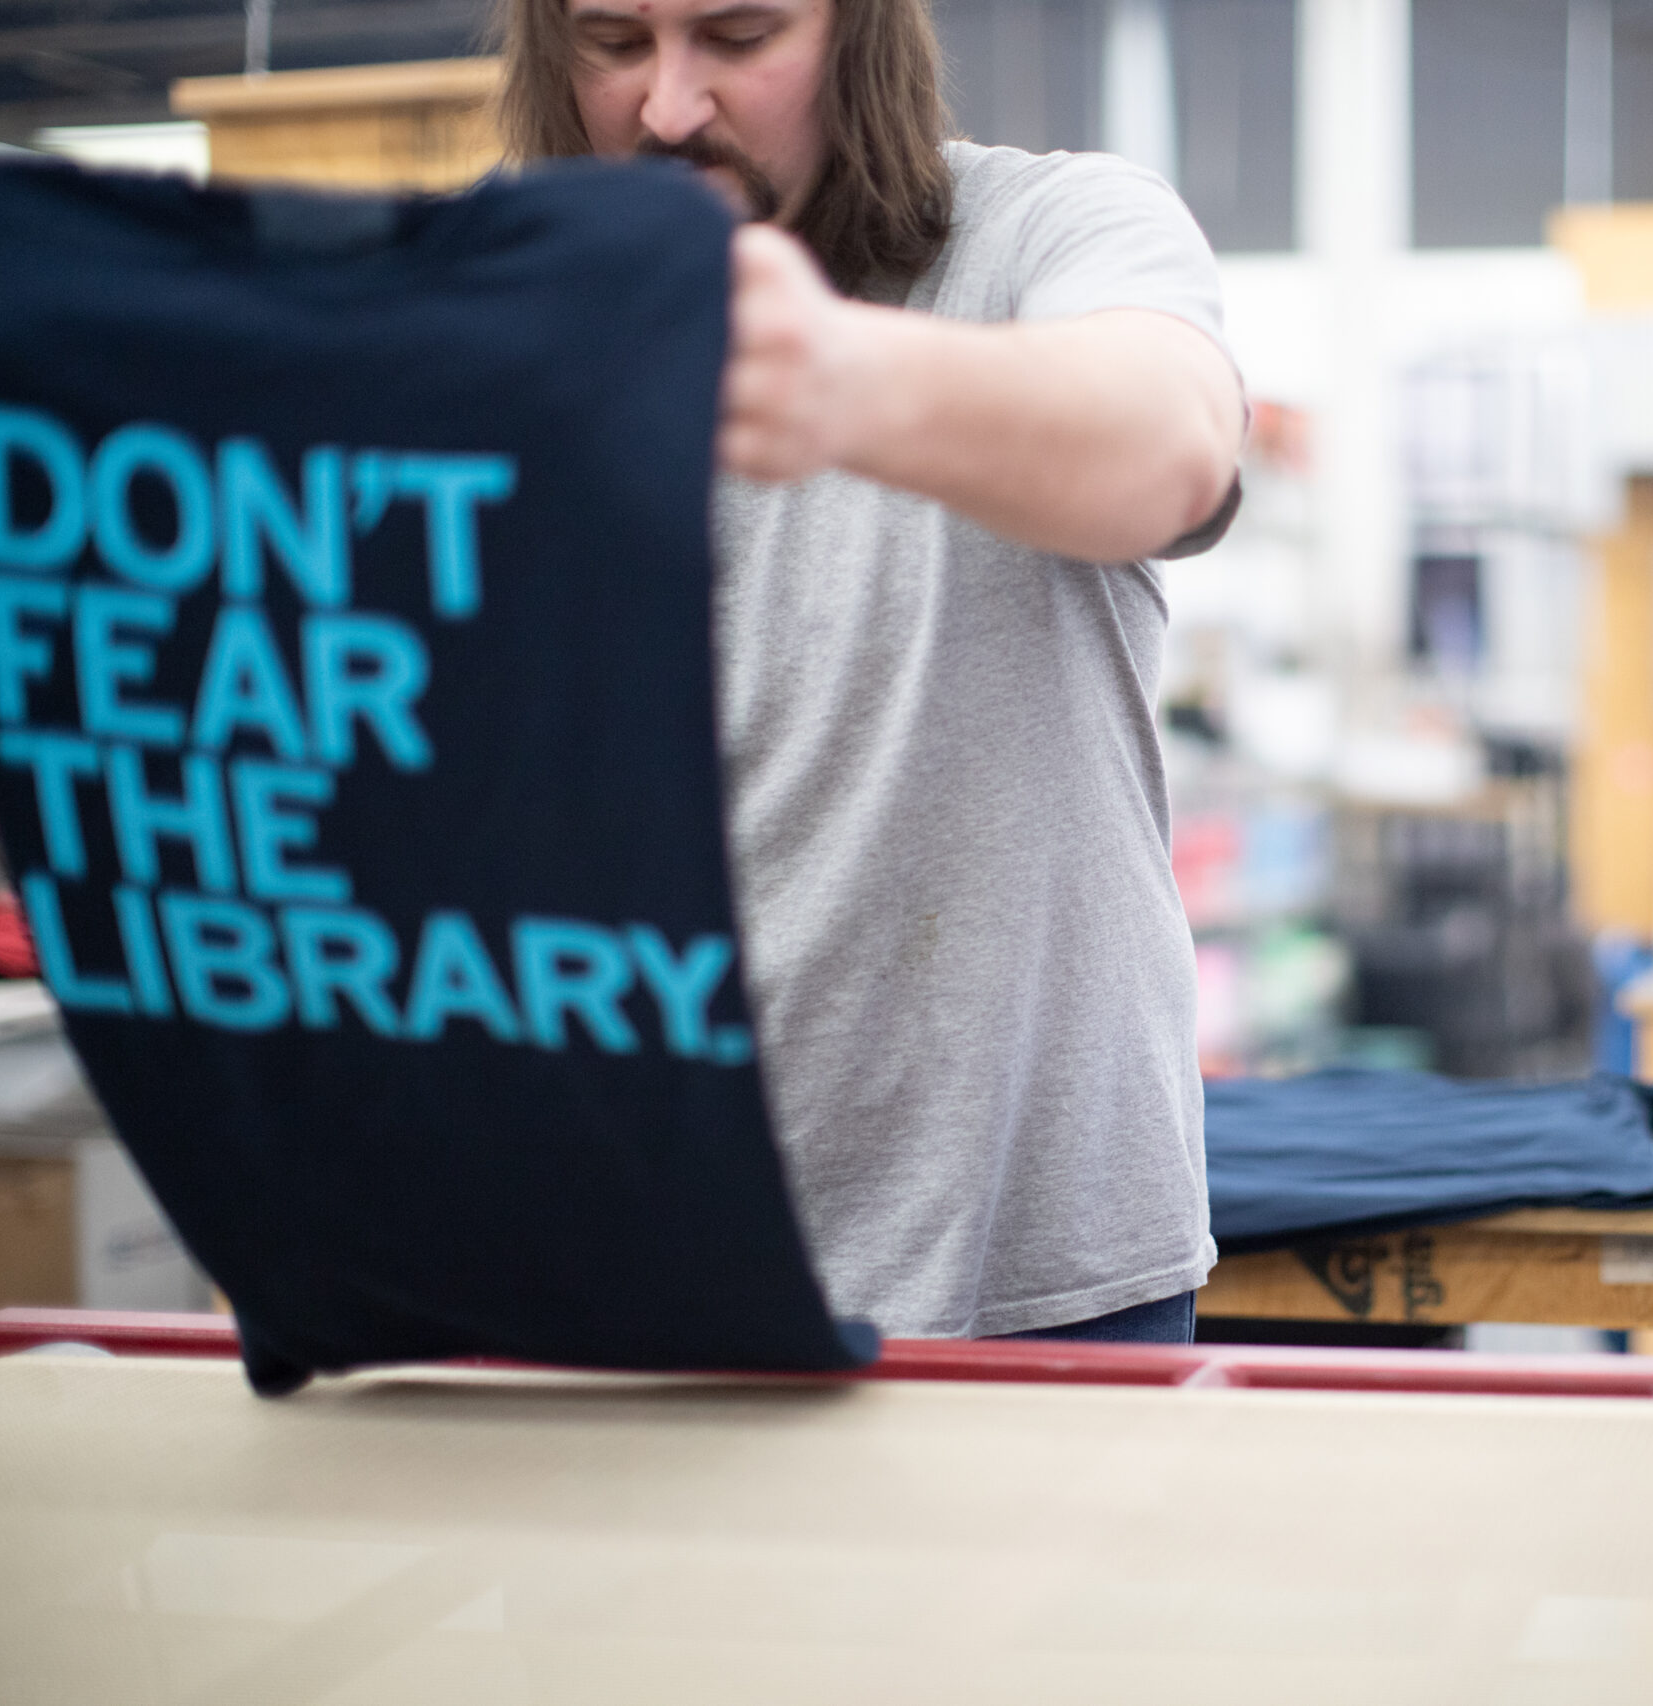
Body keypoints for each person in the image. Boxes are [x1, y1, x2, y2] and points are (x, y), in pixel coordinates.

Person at [494, 0, 1243, 1340]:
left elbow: (1170, 440)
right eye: (612, 43)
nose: (668, 108)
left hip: (1038, 1291)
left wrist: (838, 375)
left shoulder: (1048, 234)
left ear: (865, 35)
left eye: (736, 36)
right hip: (615, 1271)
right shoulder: (491, 318)